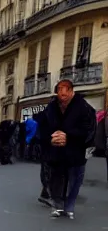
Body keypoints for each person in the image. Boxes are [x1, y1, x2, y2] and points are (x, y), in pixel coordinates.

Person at [39, 80, 96, 219]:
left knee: (75, 179)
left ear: (71, 91)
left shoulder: (83, 107)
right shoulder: (51, 107)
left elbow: (89, 129)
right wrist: (50, 138)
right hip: (56, 151)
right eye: (59, 89)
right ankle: (57, 205)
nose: (62, 93)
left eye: (65, 90)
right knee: (56, 178)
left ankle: (69, 205)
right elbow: (43, 127)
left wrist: (68, 136)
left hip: (76, 151)